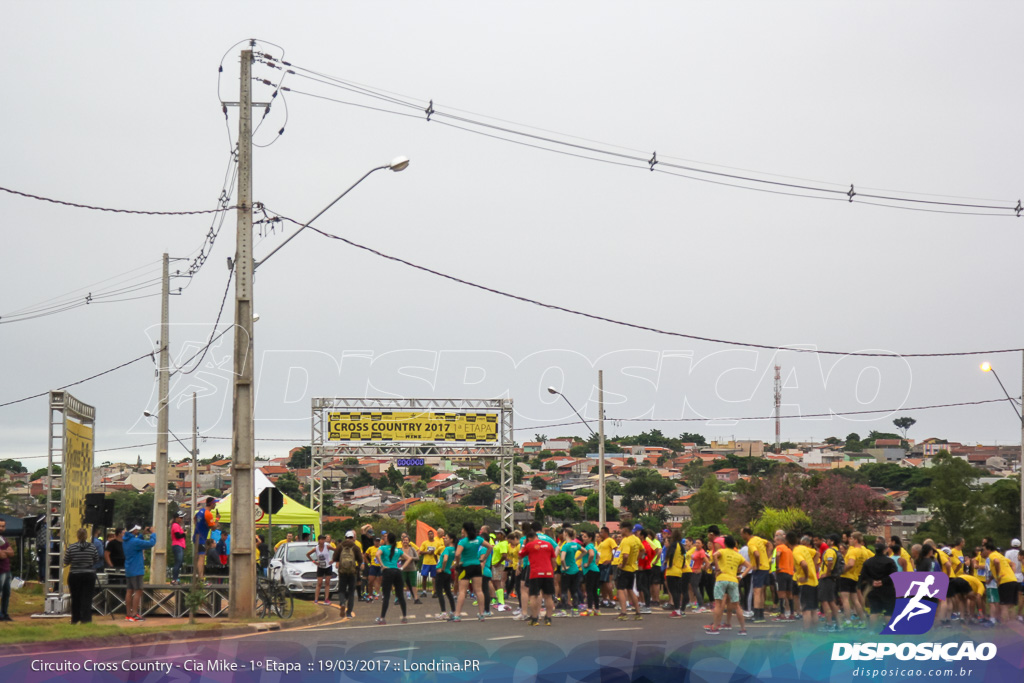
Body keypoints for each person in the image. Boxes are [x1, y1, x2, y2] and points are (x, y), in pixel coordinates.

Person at [704, 535, 751, 636]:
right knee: (737, 605)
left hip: (721, 579)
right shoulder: (737, 555)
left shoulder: (722, 551)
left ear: (724, 544)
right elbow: (749, 566)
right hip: (733, 580)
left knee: (718, 604)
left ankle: (715, 628)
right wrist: (741, 575)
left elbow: (715, 556)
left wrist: (717, 568)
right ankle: (743, 629)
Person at [452, 522, 494, 622]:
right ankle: (481, 614)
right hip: (476, 566)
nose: (461, 530)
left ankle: (457, 615)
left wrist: (458, 563)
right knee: (479, 590)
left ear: (465, 530)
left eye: (462, 529)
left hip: (466, 566)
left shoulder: (463, 541)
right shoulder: (478, 539)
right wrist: (484, 558)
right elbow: (490, 547)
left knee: (462, 591)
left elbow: (457, 554)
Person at [375, 531, 413, 625]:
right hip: (397, 572)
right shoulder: (397, 550)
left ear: (387, 539)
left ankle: (382, 618)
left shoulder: (383, 547)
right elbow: (409, 558)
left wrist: (382, 565)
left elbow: (377, 555)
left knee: (386, 596)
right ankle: (404, 617)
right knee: (400, 595)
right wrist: (402, 568)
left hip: (388, 572)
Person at [64, 527, 99, 624]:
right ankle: (86, 619)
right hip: (88, 574)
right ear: (87, 536)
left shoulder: (71, 547)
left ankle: (75, 619)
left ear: (77, 536)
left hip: (75, 575)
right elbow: (96, 559)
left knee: (75, 597)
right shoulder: (92, 547)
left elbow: (66, 561)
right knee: (87, 598)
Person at [522, 527, 557, 626]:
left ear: (529, 538)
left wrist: (524, 545)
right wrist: (552, 572)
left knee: (534, 595)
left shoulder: (529, 545)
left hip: (535, 573)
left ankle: (534, 618)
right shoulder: (549, 544)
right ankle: (548, 618)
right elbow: (553, 560)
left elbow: (520, 554)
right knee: (548, 596)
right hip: (548, 572)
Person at [123, 525, 157, 622]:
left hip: (129, 568)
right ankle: (134, 614)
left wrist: (142, 535)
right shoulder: (135, 541)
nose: (138, 530)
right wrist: (153, 533)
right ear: (133, 530)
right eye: (137, 529)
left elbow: (137, 542)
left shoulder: (126, 540)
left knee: (129, 591)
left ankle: (128, 614)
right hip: (137, 569)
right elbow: (151, 543)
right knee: (138, 591)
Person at [862, 541, 898, 630]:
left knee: (874, 611)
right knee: (889, 612)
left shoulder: (868, 562)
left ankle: (871, 631)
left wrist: (872, 581)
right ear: (884, 550)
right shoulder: (890, 561)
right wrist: (883, 581)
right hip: (887, 589)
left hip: (873, 589)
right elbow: (894, 574)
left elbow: (864, 575)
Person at [839, 531, 870, 628]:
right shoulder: (864, 551)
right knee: (855, 600)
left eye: (851, 538)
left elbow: (851, 564)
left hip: (846, 576)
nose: (849, 540)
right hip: (856, 577)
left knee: (845, 599)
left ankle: (847, 621)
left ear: (856, 540)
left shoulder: (853, 550)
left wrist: (842, 571)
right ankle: (863, 620)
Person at [982, 541, 1019, 624]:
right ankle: (1013, 625)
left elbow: (996, 562)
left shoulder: (992, 555)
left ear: (988, 550)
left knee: (1004, 605)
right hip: (1013, 580)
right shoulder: (1000, 555)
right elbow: (1012, 564)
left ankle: (1004, 625)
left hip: (1004, 582)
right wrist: (1011, 574)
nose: (983, 551)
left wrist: (998, 576)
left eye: (984, 549)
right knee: (1011, 605)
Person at [740, 527, 771, 623]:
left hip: (759, 569)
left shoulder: (751, 543)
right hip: (765, 567)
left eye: (742, 534)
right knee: (761, 592)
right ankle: (760, 615)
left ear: (746, 533)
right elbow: (769, 544)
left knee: (757, 591)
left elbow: (756, 554)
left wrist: (757, 565)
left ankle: (757, 615)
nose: (741, 536)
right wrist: (767, 557)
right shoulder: (758, 539)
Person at [333, 530, 363, 619]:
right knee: (351, 593)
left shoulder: (340, 546)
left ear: (345, 537)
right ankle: (349, 612)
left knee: (341, 590)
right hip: (352, 572)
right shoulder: (355, 547)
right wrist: (357, 568)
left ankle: (342, 603)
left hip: (342, 572)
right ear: (352, 538)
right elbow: (360, 560)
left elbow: (334, 558)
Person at [616, 523, 643, 620]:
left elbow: (625, 555)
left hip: (625, 568)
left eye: (621, 529)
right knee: (630, 589)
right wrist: (636, 559)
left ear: (625, 529)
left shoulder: (626, 541)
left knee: (620, 589)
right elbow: (642, 550)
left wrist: (623, 565)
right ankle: (638, 612)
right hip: (633, 568)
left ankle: (623, 612)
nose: (620, 531)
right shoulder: (636, 539)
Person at [793, 534, 820, 631]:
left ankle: (806, 631)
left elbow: (804, 564)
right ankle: (815, 631)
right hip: (814, 582)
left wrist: (806, 576)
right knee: (813, 609)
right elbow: (817, 553)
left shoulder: (797, 551)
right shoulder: (806, 549)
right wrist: (814, 565)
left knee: (806, 610)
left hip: (806, 583)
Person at [817, 534, 842, 632]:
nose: (826, 541)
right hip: (832, 579)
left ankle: (829, 624)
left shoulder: (830, 551)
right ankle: (838, 624)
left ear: (832, 541)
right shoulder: (837, 551)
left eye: (828, 540)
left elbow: (830, 561)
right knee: (832, 601)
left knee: (824, 601)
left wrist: (827, 573)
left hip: (826, 579)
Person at [663, 530, 688, 618]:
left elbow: (671, 553)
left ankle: (677, 610)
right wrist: (681, 565)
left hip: (672, 570)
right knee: (677, 591)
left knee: (673, 591)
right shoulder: (681, 546)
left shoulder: (673, 545)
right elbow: (684, 557)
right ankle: (678, 610)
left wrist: (668, 564)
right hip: (679, 571)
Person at [559, 528, 583, 616]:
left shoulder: (565, 546)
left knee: (564, 591)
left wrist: (564, 567)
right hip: (575, 569)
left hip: (567, 571)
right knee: (574, 591)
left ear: (565, 534)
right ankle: (575, 610)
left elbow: (562, 559)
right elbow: (585, 551)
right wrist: (578, 558)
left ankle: (563, 611)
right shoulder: (575, 545)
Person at [193, 497, 217, 583]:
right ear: (211, 504)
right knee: (201, 557)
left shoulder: (200, 511)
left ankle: (198, 576)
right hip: (201, 538)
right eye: (215, 503)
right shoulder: (208, 514)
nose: (215, 505)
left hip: (197, 536)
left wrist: (199, 527)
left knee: (198, 557)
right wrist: (217, 520)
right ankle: (201, 578)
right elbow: (213, 528)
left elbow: (194, 519)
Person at [773, 531, 796, 621]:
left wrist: (777, 566)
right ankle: (792, 613)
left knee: (781, 593)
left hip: (781, 572)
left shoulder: (780, 547)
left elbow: (778, 555)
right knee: (789, 593)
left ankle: (782, 614)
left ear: (779, 541)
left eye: (775, 541)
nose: (775, 544)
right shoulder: (789, 549)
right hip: (790, 573)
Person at [306, 535, 334, 605]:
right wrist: (314, 561)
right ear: (319, 540)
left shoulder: (327, 546)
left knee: (327, 583)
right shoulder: (316, 548)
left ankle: (326, 599)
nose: (323, 541)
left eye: (324, 540)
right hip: (320, 567)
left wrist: (333, 560)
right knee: (319, 583)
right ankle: (316, 599)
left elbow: (336, 551)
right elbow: (308, 554)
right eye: (321, 539)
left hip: (328, 566)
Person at [435, 535, 457, 620]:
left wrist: (443, 569)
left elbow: (445, 559)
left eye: (446, 538)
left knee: (439, 592)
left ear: (451, 540)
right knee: (448, 592)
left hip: (442, 573)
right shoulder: (455, 550)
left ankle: (443, 612)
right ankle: (453, 611)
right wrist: (451, 567)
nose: (444, 540)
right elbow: (459, 560)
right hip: (448, 573)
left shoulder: (447, 549)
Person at [596, 526, 617, 608]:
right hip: (600, 564)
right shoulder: (602, 542)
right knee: (602, 583)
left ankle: (612, 600)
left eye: (601, 532)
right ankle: (604, 600)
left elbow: (616, 549)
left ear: (606, 533)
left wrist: (611, 559)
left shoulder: (610, 540)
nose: (600, 534)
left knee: (607, 582)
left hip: (606, 564)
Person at [0, 517, 16, 621]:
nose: (1, 528)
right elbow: (1, 555)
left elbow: (12, 553)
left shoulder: (3, 539)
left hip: (6, 569)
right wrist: (6, 552)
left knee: (6, 593)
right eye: (0, 526)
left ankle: (4, 614)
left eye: (3, 526)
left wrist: (5, 552)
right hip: (0, 570)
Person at [399, 532, 421, 604]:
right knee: (400, 584)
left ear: (409, 541)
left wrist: (410, 558)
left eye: (407, 540)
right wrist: (402, 559)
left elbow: (417, 558)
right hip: (402, 569)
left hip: (412, 569)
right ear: (402, 542)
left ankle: (416, 598)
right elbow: (396, 558)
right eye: (404, 540)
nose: (405, 541)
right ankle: (398, 599)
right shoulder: (399, 550)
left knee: (413, 584)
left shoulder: (412, 549)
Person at [688, 538, 709, 612]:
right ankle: (699, 605)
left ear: (702, 544)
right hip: (692, 571)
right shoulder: (695, 550)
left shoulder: (701, 552)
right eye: (696, 542)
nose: (697, 544)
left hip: (697, 572)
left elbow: (707, 562)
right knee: (693, 588)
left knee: (695, 589)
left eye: (699, 543)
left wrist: (702, 568)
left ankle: (701, 606)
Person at [419, 528, 441, 596]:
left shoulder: (437, 543)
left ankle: (434, 591)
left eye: (432, 534)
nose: (430, 535)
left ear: (433, 535)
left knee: (434, 577)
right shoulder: (425, 543)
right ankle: (424, 591)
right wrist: (427, 552)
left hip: (434, 562)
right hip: (426, 562)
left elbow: (440, 552)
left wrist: (435, 553)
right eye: (429, 534)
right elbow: (420, 551)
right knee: (424, 576)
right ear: (427, 535)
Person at [170, 512, 187, 585]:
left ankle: (176, 578)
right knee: (178, 562)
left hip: (180, 545)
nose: (182, 519)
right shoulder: (175, 525)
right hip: (177, 545)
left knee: (179, 562)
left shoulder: (178, 526)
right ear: (176, 518)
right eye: (180, 517)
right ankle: (174, 579)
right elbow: (177, 536)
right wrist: (184, 534)